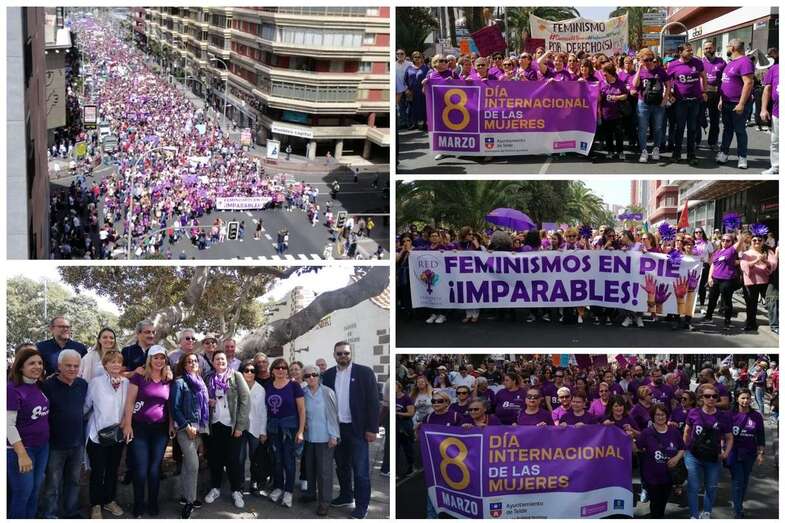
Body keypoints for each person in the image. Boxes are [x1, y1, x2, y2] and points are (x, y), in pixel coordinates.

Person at [321, 341, 380, 519]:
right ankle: (346, 495)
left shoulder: (364, 372)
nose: (343, 356)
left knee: (361, 470)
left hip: (358, 430)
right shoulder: (329, 374)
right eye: (339, 354)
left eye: (346, 353)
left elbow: (373, 402)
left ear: (350, 354)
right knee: (342, 466)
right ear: (334, 355)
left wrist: (372, 429)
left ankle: (362, 505)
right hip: (337, 429)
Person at [121, 345, 174, 518]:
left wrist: (171, 425)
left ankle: (153, 502)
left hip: (160, 430)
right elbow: (129, 402)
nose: (159, 361)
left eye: (162, 358)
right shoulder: (139, 376)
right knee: (141, 469)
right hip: (139, 428)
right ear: (149, 359)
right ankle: (138, 504)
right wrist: (127, 425)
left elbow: (169, 405)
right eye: (155, 357)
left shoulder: (167, 378)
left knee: (154, 469)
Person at [39, 349, 88, 519]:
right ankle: (50, 514)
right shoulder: (47, 386)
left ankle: (71, 512)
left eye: (76, 366)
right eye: (68, 365)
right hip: (55, 445)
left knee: (74, 481)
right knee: (53, 484)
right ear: (59, 366)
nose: (73, 369)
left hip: (77, 443)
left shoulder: (82, 384)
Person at [83, 350, 128, 519]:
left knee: (112, 469)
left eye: (118, 362)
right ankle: (95, 504)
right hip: (97, 435)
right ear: (105, 365)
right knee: (98, 471)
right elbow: (87, 406)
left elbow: (128, 407)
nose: (115, 365)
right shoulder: (95, 383)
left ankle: (109, 500)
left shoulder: (126, 383)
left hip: (117, 435)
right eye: (111, 362)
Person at [7, 345, 50, 519]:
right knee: (22, 494)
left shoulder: (38, 386)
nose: (37, 366)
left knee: (34, 492)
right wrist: (22, 453)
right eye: (31, 363)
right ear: (20, 367)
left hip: (42, 447)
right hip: (22, 450)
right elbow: (8, 425)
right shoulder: (11, 389)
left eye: (40, 363)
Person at [203, 351, 251, 509]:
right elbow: (201, 398)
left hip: (232, 426)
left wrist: (240, 426)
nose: (220, 361)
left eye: (222, 359)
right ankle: (215, 488)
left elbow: (245, 400)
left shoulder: (236, 376)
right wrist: (207, 401)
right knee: (214, 459)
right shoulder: (208, 377)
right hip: (214, 425)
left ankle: (236, 490)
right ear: (213, 361)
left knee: (234, 461)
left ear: (227, 361)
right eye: (217, 359)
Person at [683, 384, 734, 519]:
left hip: (713, 458)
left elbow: (729, 437)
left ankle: (707, 512)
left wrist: (726, 453)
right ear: (701, 398)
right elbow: (687, 431)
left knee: (711, 487)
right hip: (693, 456)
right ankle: (693, 515)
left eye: (714, 396)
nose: (711, 398)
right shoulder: (693, 412)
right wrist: (686, 449)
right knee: (693, 487)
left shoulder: (723, 417)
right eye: (707, 396)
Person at [170, 353, 210, 519]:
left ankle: (185, 496)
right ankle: (190, 502)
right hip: (185, 429)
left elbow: (204, 405)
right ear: (184, 365)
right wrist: (186, 426)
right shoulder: (180, 382)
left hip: (200, 428)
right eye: (189, 361)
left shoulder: (201, 382)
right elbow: (175, 407)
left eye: (195, 361)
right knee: (193, 464)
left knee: (188, 464)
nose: (193, 363)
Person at [265, 357, 305, 508]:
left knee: (288, 461)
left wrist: (300, 431)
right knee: (277, 459)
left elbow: (302, 410)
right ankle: (278, 487)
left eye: (283, 367)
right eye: (277, 367)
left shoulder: (294, 386)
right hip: (274, 429)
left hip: (290, 429)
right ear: (273, 370)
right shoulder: (269, 386)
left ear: (287, 370)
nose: (280, 370)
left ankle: (288, 491)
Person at [635, 404, 685, 518]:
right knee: (655, 504)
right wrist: (628, 438)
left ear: (667, 416)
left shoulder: (674, 432)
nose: (660, 417)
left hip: (669, 475)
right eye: (657, 414)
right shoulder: (646, 433)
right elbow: (637, 448)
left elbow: (682, 449)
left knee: (662, 503)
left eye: (663, 414)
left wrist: (676, 458)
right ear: (653, 416)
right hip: (652, 476)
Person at [302, 365, 340, 516]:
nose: (311, 377)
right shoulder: (303, 392)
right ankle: (311, 494)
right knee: (310, 468)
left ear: (319, 376)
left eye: (314, 374)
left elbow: (333, 415)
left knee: (324, 472)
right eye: (307, 376)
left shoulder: (327, 392)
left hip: (325, 438)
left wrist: (333, 435)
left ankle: (325, 502)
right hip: (309, 437)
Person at [717, 39, 755, 169]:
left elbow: (748, 83)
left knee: (740, 131)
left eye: (727, 46)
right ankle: (724, 153)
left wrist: (741, 104)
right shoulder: (731, 63)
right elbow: (725, 82)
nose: (726, 48)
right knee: (727, 130)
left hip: (738, 104)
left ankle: (742, 157)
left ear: (732, 48)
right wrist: (722, 100)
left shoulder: (745, 62)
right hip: (727, 103)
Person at [728, 388, 766, 518]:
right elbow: (723, 434)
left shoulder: (756, 416)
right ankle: (738, 511)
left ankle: (737, 502)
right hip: (733, 453)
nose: (745, 401)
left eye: (748, 398)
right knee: (738, 481)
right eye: (743, 398)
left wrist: (761, 453)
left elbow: (761, 436)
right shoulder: (730, 415)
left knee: (744, 481)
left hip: (750, 454)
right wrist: (723, 449)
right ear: (737, 398)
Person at [667, 43, 706, 165]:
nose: (691, 52)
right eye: (688, 51)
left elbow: (703, 77)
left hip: (695, 101)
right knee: (679, 128)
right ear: (680, 52)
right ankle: (677, 154)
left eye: (691, 50)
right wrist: (670, 95)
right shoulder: (672, 65)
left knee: (692, 129)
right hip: (680, 102)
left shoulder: (697, 63)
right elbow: (667, 82)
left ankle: (691, 155)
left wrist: (704, 91)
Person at [634, 48, 671, 163]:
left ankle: (656, 148)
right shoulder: (640, 70)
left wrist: (666, 97)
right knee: (642, 128)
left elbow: (668, 84)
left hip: (658, 104)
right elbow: (635, 85)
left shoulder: (660, 70)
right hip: (643, 103)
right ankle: (644, 150)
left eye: (651, 59)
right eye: (646, 60)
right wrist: (639, 69)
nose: (649, 62)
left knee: (658, 127)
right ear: (641, 60)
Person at [238, 360, 267, 497]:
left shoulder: (260, 389)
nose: (249, 373)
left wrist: (263, 431)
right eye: (246, 370)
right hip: (240, 427)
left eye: (252, 371)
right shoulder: (237, 387)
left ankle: (254, 482)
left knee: (255, 457)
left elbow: (263, 411)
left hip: (255, 427)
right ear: (242, 372)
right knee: (240, 457)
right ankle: (240, 483)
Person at [703, 233, 743, 329]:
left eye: (728, 240)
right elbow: (713, 265)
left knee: (727, 301)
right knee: (712, 299)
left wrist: (738, 232)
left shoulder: (732, 250)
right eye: (723, 240)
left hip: (727, 280)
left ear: (731, 242)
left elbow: (740, 241)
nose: (725, 242)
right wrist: (709, 278)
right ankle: (708, 317)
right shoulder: (717, 252)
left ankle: (727, 321)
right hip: (715, 278)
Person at [739, 231, 777, 331]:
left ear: (763, 241)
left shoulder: (768, 251)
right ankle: (751, 324)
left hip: (766, 282)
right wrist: (756, 260)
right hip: (751, 282)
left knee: (771, 303)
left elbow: (774, 264)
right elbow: (744, 266)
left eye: (759, 240)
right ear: (751, 241)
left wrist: (765, 261)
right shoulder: (746, 253)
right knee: (751, 304)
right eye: (754, 240)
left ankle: (775, 323)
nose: (757, 242)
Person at [760, 61, 779, 174]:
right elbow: (767, 89)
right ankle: (776, 167)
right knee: (775, 142)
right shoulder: (774, 68)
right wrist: (763, 108)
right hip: (777, 113)